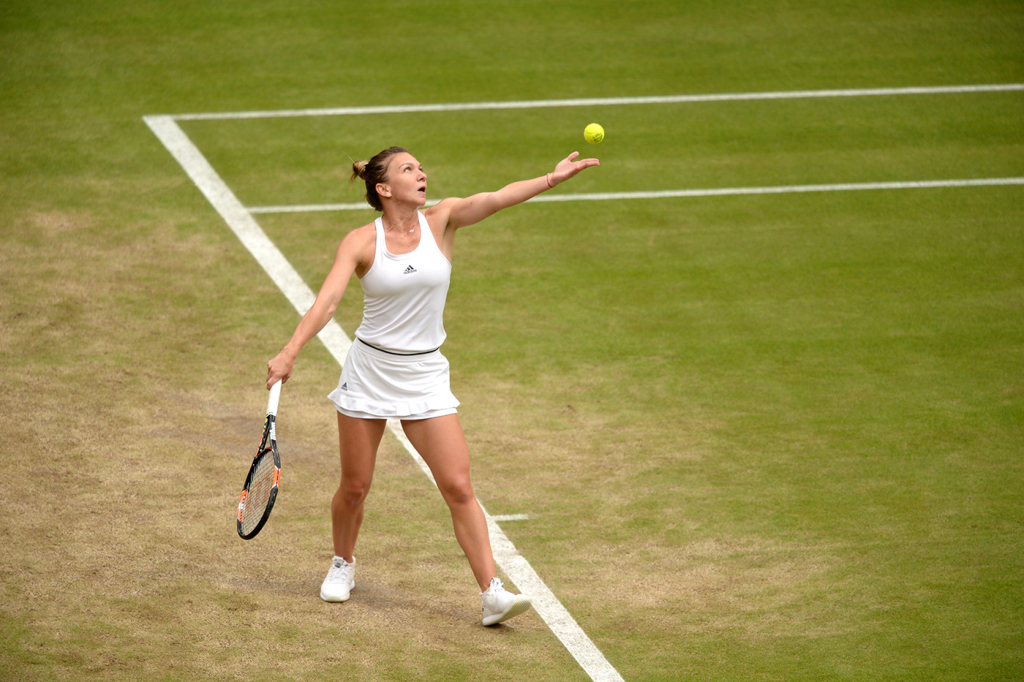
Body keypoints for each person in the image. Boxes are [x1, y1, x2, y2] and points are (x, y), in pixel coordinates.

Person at [266, 146, 599, 626]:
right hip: (370, 371)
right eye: (409, 170)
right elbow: (328, 302)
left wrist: (551, 178)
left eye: (420, 167)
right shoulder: (361, 241)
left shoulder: (443, 219)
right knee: (355, 486)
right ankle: (343, 562)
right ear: (384, 189)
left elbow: (498, 198)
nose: (422, 174)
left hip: (425, 374)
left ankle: (492, 593)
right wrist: (290, 351)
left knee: (459, 485)